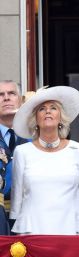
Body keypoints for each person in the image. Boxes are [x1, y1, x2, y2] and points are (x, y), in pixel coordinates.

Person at [10, 86, 79, 235]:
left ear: (61, 117)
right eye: (42, 109)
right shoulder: (22, 152)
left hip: (70, 229)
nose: (48, 111)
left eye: (53, 108)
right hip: (33, 231)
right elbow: (16, 201)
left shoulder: (78, 149)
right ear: (35, 119)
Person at [0, 80, 28, 235]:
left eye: (11, 93)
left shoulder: (35, 138)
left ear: (21, 100)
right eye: (1, 94)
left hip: (28, 221)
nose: (6, 98)